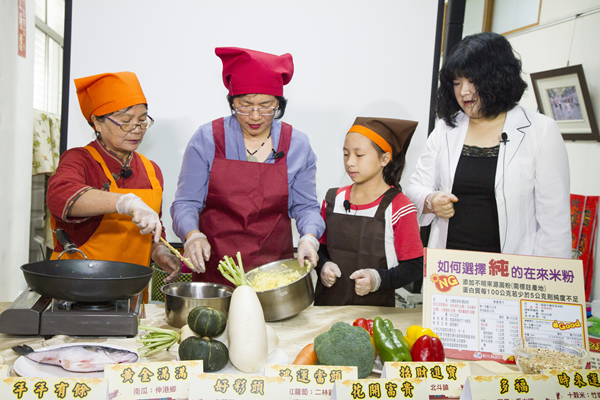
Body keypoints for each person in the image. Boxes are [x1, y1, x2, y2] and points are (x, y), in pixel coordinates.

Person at [405, 32, 571, 258]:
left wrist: (549, 285)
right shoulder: (445, 129)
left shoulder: (540, 131)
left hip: (512, 270)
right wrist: (431, 200)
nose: (463, 91)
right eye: (456, 82)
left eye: (471, 80)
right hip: (449, 268)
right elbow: (415, 188)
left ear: (498, 78)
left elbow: (555, 220)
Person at [171, 47, 325, 286]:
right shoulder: (207, 138)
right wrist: (192, 236)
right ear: (232, 102)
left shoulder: (297, 144)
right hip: (216, 268)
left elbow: (306, 206)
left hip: (274, 275)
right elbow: (186, 202)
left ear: (279, 103)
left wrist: (309, 238)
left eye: (266, 106)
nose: (255, 116)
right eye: (245, 105)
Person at [47, 71, 181, 290]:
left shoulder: (151, 170)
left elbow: (152, 227)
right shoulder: (80, 159)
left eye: (142, 120)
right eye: (126, 122)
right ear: (97, 123)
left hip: (131, 289)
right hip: (78, 285)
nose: (137, 130)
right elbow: (59, 197)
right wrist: (124, 202)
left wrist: (159, 251)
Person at [314, 117, 424, 306]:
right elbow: (321, 248)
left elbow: (414, 267)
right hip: (327, 309)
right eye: (346, 154)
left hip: (375, 314)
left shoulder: (399, 207)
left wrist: (377, 279)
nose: (350, 162)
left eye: (359, 155)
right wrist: (323, 266)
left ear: (384, 159)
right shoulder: (333, 200)